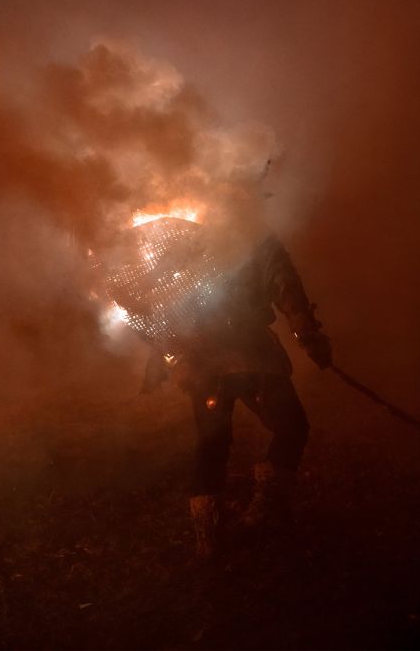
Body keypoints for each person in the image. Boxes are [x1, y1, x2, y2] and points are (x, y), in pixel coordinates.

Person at [142, 233, 332, 558]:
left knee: (213, 441)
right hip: (249, 354)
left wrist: (168, 352)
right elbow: (285, 287)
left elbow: (162, 299)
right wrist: (308, 332)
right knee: (292, 427)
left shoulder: (184, 238)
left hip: (204, 358)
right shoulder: (255, 235)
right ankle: (263, 514)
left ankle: (211, 536)